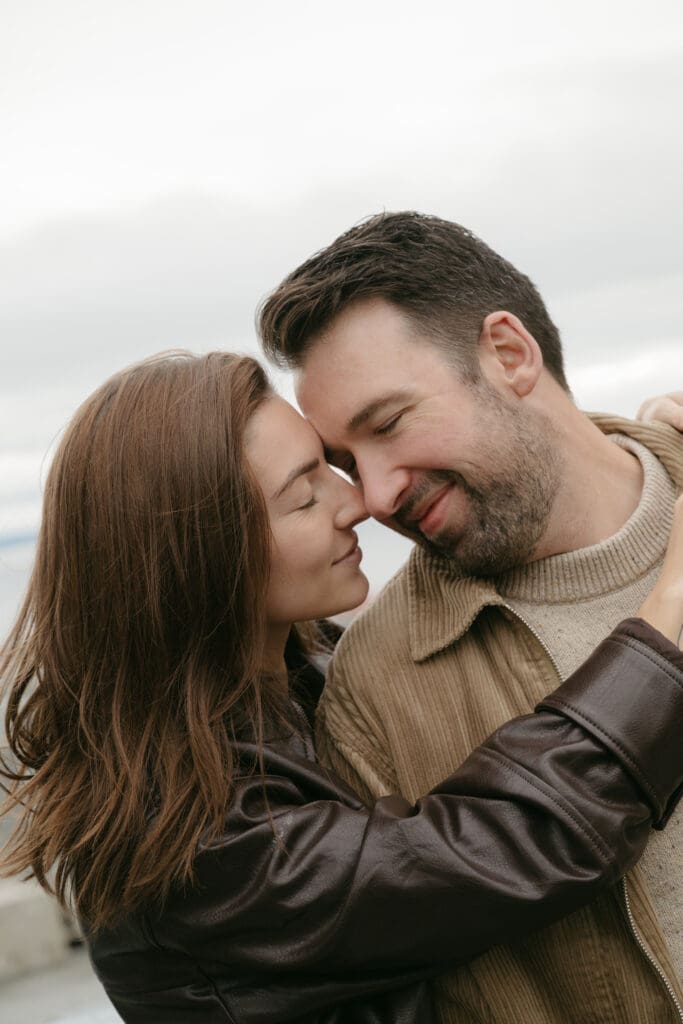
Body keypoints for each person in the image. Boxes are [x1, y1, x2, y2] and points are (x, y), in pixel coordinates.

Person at [1, 352, 683, 1023]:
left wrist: (650, 447)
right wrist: (667, 613)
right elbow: (496, 849)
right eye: (304, 496)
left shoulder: (302, 679)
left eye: (331, 466)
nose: (357, 502)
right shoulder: (189, 840)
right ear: (199, 559)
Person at [258, 212, 683, 1023]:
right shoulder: (372, 694)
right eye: (344, 463)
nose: (374, 495)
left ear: (509, 354)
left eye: (388, 424)